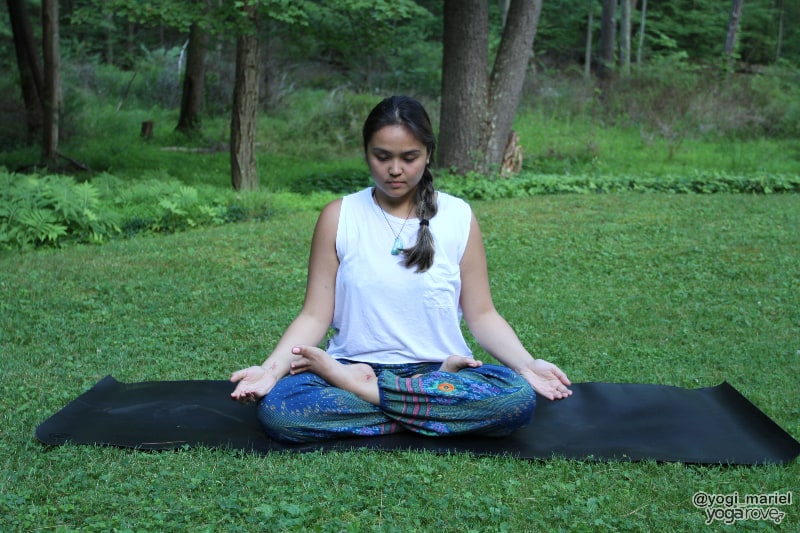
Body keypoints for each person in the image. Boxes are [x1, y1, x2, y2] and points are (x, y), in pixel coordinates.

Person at [230, 95, 572, 443]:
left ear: (428, 154)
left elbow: (482, 315)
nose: (395, 170)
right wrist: (271, 371)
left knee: (516, 397)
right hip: (352, 367)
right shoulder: (339, 216)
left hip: (438, 371)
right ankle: (425, 411)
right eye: (382, 157)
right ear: (366, 153)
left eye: (409, 158)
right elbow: (315, 316)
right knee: (282, 410)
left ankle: (371, 395)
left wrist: (527, 366)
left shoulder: (457, 217)